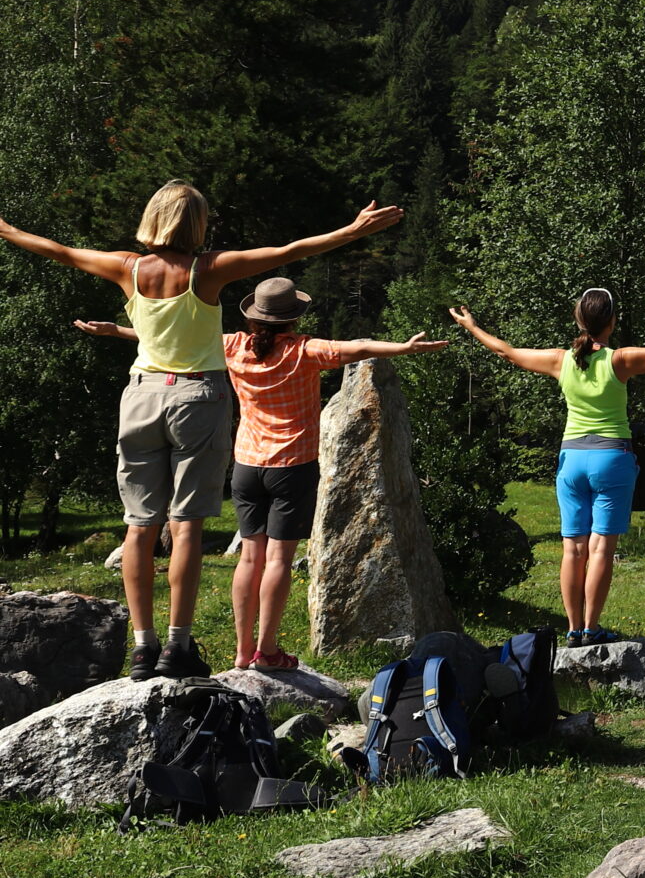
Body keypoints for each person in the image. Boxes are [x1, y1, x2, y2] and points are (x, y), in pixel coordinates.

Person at [0, 180, 405, 680]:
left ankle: (143, 649)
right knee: (186, 524)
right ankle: (177, 647)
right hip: (197, 397)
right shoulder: (207, 270)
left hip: (141, 395)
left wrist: (7, 229)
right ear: (196, 225)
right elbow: (291, 250)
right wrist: (353, 229)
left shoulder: (127, 267)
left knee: (140, 525)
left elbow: (57, 250)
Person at [77, 277, 448, 671]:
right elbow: (355, 348)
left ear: (254, 317)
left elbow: (172, 339)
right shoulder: (305, 350)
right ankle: (268, 652)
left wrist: (115, 330)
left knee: (249, 559)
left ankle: (241, 651)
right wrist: (404, 348)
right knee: (278, 561)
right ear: (294, 317)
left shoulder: (234, 346)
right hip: (292, 467)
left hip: (247, 467)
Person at [448, 287, 645, 646]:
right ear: (612, 321)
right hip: (611, 459)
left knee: (573, 548)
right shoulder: (620, 361)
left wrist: (472, 326)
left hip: (571, 460)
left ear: (579, 320)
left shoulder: (560, 360)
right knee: (601, 547)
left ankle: (573, 630)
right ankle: (591, 628)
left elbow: (505, 351)